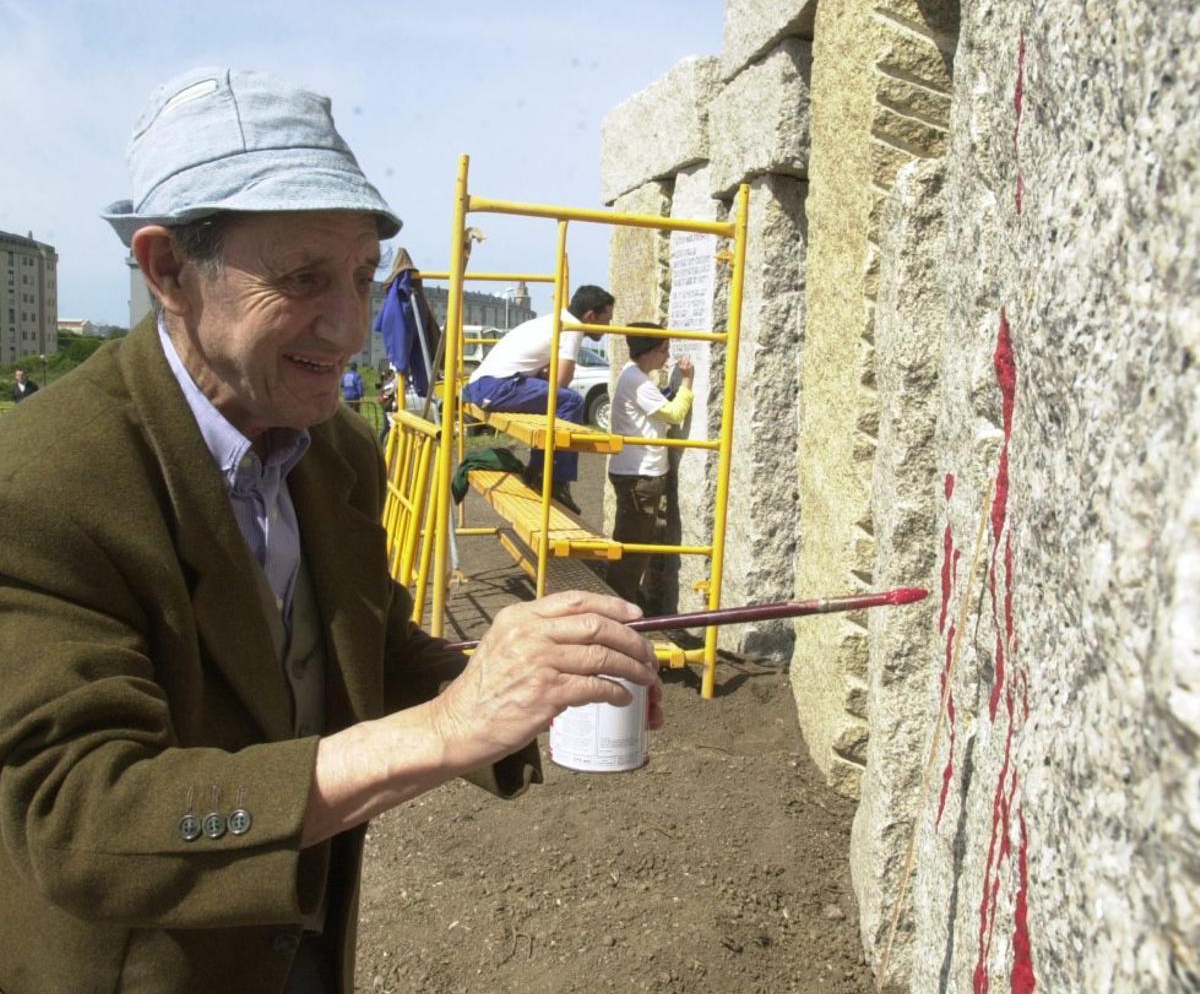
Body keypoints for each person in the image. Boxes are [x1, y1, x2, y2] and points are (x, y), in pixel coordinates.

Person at [0, 67, 661, 994]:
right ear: (166, 270)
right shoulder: (37, 484)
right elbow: (78, 815)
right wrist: (445, 725)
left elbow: (372, 652)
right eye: (304, 278)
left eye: (360, 277)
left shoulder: (336, 451)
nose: (351, 329)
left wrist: (533, 683)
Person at [463, 285, 615, 514]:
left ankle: (538, 471)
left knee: (557, 401)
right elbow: (561, 382)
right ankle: (555, 482)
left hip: (485, 384)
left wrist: (545, 374)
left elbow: (549, 378)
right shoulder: (571, 328)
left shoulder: (552, 320)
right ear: (590, 316)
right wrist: (548, 375)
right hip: (495, 386)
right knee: (571, 402)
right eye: (606, 320)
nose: (608, 327)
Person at [606, 323, 695, 604]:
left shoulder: (633, 374)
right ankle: (621, 606)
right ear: (647, 352)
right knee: (634, 548)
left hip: (634, 472)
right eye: (663, 350)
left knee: (632, 542)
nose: (667, 356)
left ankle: (623, 598)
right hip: (640, 476)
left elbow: (656, 407)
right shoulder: (638, 381)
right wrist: (688, 381)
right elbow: (673, 414)